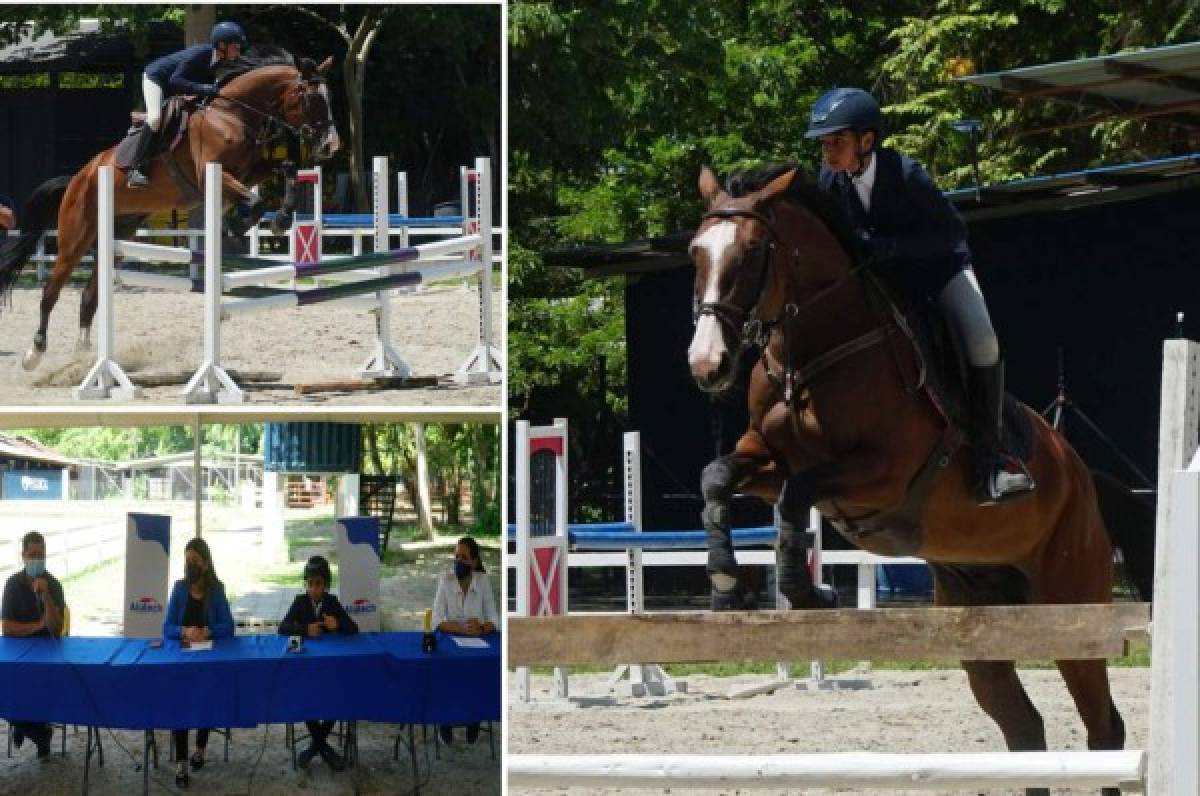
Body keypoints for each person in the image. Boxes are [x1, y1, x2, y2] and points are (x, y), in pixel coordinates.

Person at [806, 87, 1035, 505]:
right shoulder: (828, 182)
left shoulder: (905, 174)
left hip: (939, 271)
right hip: (885, 281)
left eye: (836, 142)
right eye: (824, 144)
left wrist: (890, 247)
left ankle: (995, 460)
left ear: (866, 141)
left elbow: (951, 233)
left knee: (983, 341)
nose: (828, 152)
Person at [125, 21, 247, 188]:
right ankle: (136, 168)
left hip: (173, 86)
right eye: (236, 47)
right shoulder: (203, 53)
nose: (239, 52)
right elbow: (175, 80)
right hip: (157, 79)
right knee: (154, 118)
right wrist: (204, 88)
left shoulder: (218, 62)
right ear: (222, 45)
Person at [162, 537, 234, 788]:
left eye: (195, 560)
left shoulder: (217, 589)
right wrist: (184, 631)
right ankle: (181, 763)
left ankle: (200, 750)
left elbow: (229, 627)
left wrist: (209, 632)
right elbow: (166, 627)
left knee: (207, 699)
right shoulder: (179, 588)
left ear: (205, 563)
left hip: (208, 661)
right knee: (178, 705)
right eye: (187, 560)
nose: (190, 565)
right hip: (181, 662)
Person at [277, 555, 356, 771]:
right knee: (304, 697)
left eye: (318, 584)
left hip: (330, 668)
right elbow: (282, 627)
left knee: (338, 696)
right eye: (310, 584)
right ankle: (323, 748)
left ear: (326, 585)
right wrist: (304, 629)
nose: (313, 588)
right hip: (305, 668)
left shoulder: (332, 602)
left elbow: (353, 628)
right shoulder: (300, 601)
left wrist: (337, 623)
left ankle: (315, 747)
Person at [2, 531, 66, 759]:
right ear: (23, 556)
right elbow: (7, 627)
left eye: (42, 555)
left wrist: (46, 596)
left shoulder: (54, 584)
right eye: (33, 555)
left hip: (47, 656)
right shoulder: (12, 584)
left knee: (42, 688)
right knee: (6, 691)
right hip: (15, 655)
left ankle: (27, 727)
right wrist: (38, 625)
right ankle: (39, 732)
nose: (37, 559)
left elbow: (56, 628)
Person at [431, 536, 497, 745]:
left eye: (464, 557)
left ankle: (474, 717)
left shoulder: (483, 580)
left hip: (476, 642)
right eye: (456, 556)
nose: (459, 561)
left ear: (474, 562)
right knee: (445, 669)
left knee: (480, 670)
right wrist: (458, 628)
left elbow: (494, 618)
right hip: (450, 639)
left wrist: (482, 627)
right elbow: (435, 619)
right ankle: (445, 719)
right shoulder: (445, 579)